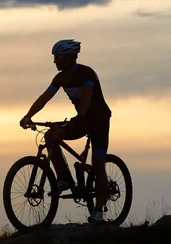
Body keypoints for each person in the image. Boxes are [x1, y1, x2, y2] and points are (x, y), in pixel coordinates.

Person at [19, 39, 112, 223]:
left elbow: (86, 95)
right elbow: (45, 97)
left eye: (57, 57)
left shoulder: (86, 73)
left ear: (67, 58)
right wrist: (28, 116)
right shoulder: (60, 78)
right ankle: (64, 179)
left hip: (99, 120)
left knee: (98, 165)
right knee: (51, 135)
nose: (54, 61)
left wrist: (81, 115)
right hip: (82, 120)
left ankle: (99, 211)